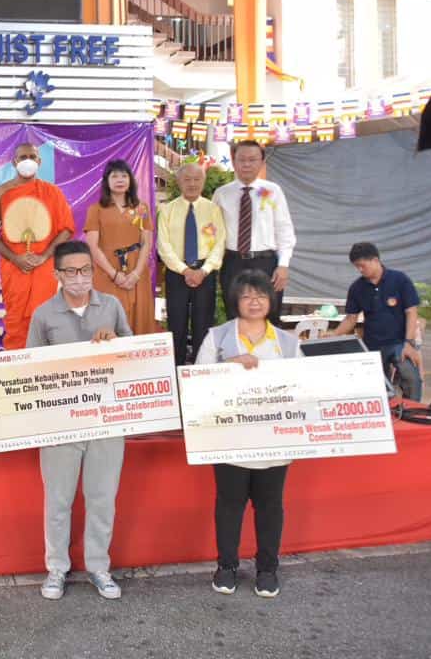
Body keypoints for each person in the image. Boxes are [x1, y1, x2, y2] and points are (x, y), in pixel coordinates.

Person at [29, 240, 131, 602]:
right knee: (58, 499)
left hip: (106, 421)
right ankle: (56, 568)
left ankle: (99, 567)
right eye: (70, 271)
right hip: (60, 424)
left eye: (85, 270)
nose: (79, 277)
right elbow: (30, 372)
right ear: (57, 274)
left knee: (102, 497)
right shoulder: (43, 315)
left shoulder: (112, 306)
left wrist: (115, 342)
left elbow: (133, 358)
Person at [196, 269, 301, 599]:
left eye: (261, 295)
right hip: (229, 439)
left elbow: (302, 389)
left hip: (274, 442)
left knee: (270, 506)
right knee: (229, 504)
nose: (254, 301)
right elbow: (198, 381)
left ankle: (267, 569)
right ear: (234, 301)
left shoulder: (288, 342)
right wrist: (229, 367)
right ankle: (226, 565)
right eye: (246, 295)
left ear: (271, 300)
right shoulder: (217, 337)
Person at [0, 143, 76, 349]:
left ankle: (44, 371)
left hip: (44, 266)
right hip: (14, 267)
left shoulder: (51, 192)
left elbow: (66, 229)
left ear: (39, 161)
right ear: (14, 162)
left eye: (32, 157)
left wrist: (43, 256)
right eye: (23, 156)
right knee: (16, 320)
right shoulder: (1, 192)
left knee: (46, 318)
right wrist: (15, 258)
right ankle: (17, 371)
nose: (28, 160)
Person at [212, 140, 296, 322]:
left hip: (266, 263)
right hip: (233, 262)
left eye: (252, 159)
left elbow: (284, 230)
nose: (247, 164)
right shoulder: (221, 194)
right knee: (235, 317)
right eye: (241, 159)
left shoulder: (273, 191)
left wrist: (283, 265)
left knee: (269, 317)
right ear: (234, 161)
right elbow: (212, 232)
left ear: (262, 161)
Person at [330, 242, 423, 401]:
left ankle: (413, 413)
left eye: (362, 265)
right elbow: (351, 318)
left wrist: (409, 343)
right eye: (356, 267)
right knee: (377, 387)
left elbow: (411, 312)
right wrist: (334, 334)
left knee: (411, 378)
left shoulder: (400, 280)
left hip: (399, 342)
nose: (360, 270)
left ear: (375, 260)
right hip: (372, 345)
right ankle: (386, 416)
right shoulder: (356, 288)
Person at [157, 163, 226, 363]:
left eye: (197, 179)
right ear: (179, 182)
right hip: (177, 272)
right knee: (176, 323)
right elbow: (163, 245)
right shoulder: (167, 210)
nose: (192, 184)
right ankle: (176, 367)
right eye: (187, 179)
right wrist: (185, 270)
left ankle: (200, 366)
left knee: (202, 324)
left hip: (205, 273)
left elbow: (219, 242)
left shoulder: (213, 209)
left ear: (203, 181)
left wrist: (203, 271)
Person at [84, 159, 156, 335]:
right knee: (108, 320)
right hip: (106, 271)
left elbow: (147, 242)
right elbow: (92, 246)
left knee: (139, 321)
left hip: (136, 271)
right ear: (106, 181)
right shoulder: (96, 209)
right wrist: (114, 274)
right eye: (114, 176)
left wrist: (136, 273)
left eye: (124, 175)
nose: (120, 180)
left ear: (130, 180)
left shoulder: (141, 208)